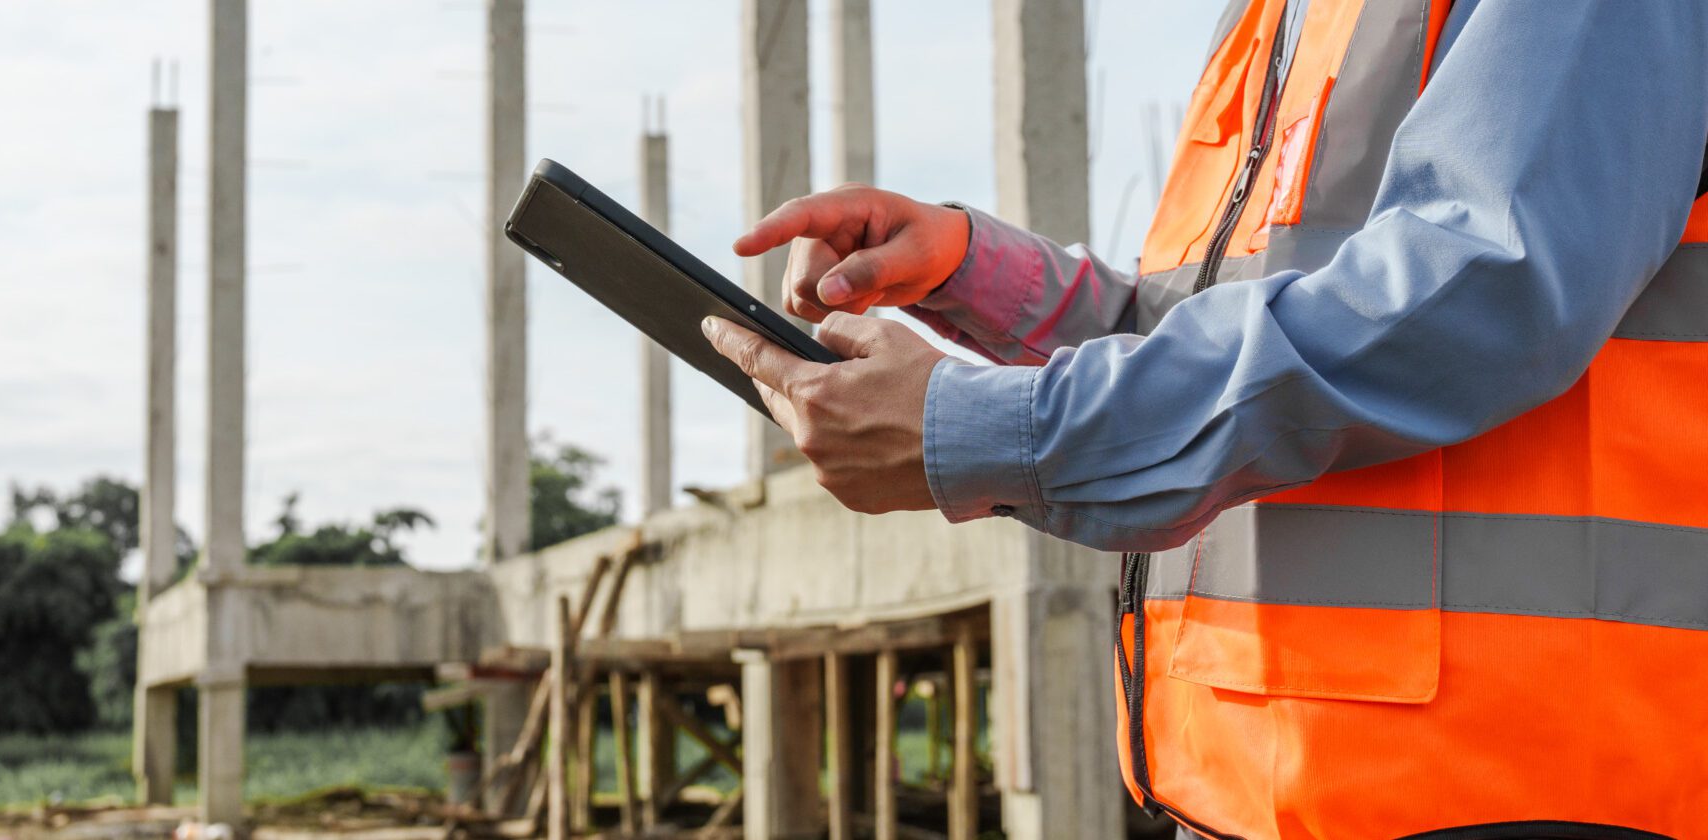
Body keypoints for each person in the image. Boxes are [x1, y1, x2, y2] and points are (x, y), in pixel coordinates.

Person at [702, 1, 1708, 837]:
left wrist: (997, 431)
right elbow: (1222, 332)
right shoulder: (1280, 16)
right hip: (1258, 789)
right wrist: (975, 273)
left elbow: (1480, 290)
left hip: (1516, 786)